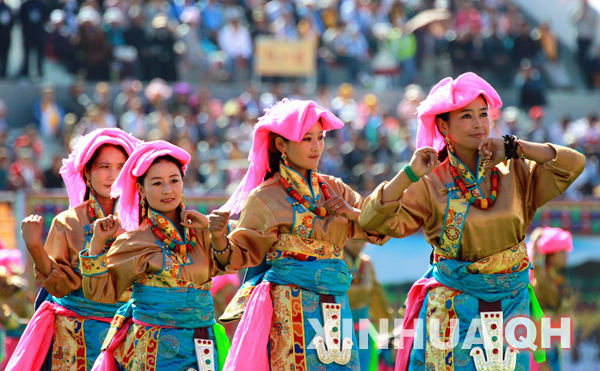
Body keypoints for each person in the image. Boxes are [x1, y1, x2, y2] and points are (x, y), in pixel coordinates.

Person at [357, 72, 585, 370]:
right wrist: (409, 174)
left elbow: (573, 164)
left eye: (483, 114)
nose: (479, 123)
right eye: (466, 116)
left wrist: (517, 147)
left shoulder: (514, 170)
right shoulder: (429, 179)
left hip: (511, 305)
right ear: (443, 125)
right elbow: (371, 223)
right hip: (452, 312)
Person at [214, 99, 388, 370]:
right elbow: (237, 257)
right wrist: (217, 238)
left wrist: (409, 175)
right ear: (281, 145)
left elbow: (377, 224)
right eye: (306, 139)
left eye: (320, 138)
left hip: (336, 307)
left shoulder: (335, 189)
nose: (316, 146)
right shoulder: (265, 198)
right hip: (290, 310)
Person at [80, 141, 231, 371]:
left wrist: (217, 233)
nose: (167, 190)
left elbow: (227, 264)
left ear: (183, 182)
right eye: (157, 183)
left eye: (174, 180)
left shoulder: (199, 230)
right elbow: (99, 292)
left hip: (203, 344)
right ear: (141, 189)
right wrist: (97, 244)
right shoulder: (135, 241)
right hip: (155, 350)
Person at [7, 128, 139, 370]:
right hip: (75, 336)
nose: (113, 175)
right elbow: (57, 285)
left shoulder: (141, 222)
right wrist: (35, 247)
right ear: (87, 172)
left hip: (128, 335)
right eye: (104, 167)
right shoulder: (67, 222)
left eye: (121, 167)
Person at [528, 227, 575, 371]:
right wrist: (537, 241)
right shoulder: (541, 279)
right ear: (550, 255)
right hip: (541, 339)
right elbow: (537, 265)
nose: (565, 255)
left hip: (553, 339)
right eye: (561, 251)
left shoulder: (558, 280)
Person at [343, 239, 391, 371]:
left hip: (364, 332)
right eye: (353, 239)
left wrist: (388, 326)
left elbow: (376, 296)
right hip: (340, 332)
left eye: (362, 239)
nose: (358, 242)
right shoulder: (336, 262)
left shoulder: (366, 264)